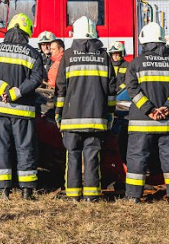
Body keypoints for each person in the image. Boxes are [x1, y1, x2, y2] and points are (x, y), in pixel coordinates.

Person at [0, 13, 44, 200]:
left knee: (0, 147)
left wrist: (2, 89)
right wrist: (17, 92)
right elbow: (37, 78)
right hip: (22, 109)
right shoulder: (33, 53)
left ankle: (3, 191)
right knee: (25, 147)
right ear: (26, 32)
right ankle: (26, 191)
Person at [54, 16, 116, 202]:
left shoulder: (68, 56)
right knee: (92, 156)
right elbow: (111, 88)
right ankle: (91, 196)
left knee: (72, 156)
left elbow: (61, 88)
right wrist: (110, 113)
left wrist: (58, 113)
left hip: (71, 118)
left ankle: (73, 196)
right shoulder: (104, 56)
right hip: (96, 118)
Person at [124, 22, 169, 203]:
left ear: (144, 43)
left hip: (141, 122)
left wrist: (149, 110)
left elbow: (132, 89)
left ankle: (134, 197)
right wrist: (168, 107)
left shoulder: (136, 63)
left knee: (137, 159)